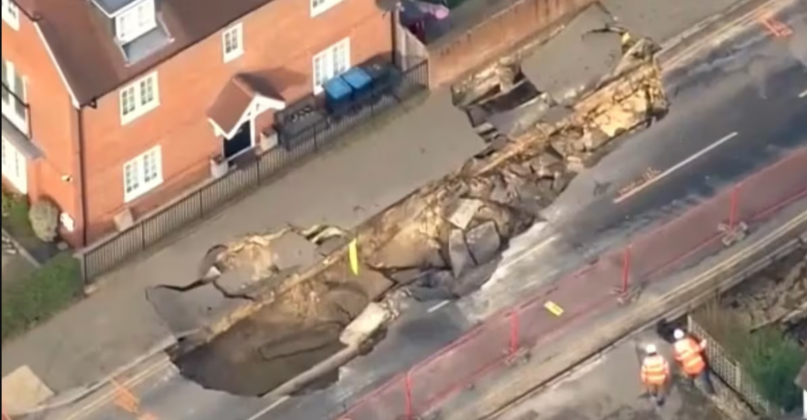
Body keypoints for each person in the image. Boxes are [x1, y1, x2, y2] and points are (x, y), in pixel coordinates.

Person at [672, 328, 715, 394]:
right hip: (698, 365)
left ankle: (690, 387)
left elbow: (677, 358)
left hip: (688, 367)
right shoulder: (689, 341)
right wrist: (703, 343)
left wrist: (682, 365)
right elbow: (698, 349)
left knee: (690, 378)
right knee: (705, 380)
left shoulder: (676, 347)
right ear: (683, 335)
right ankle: (711, 392)